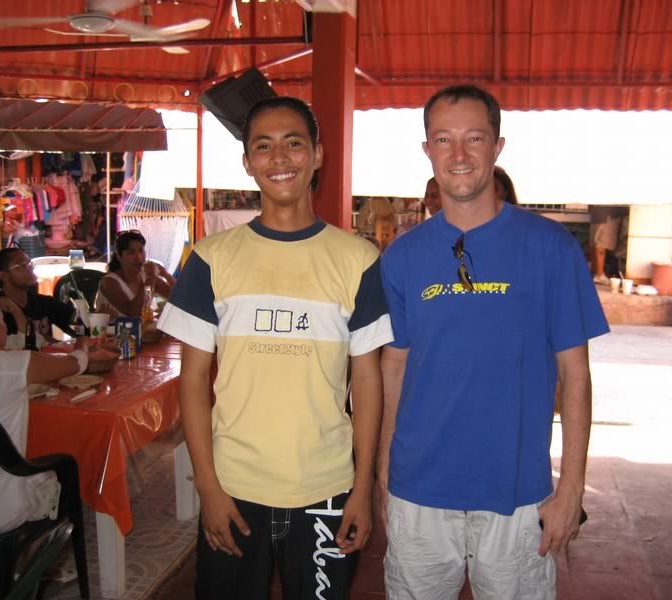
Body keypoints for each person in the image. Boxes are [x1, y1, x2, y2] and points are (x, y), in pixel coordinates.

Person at [378, 85, 609, 599]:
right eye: (443, 139)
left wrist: (570, 486)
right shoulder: (401, 257)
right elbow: (393, 369)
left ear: (497, 146)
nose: (459, 155)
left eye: (474, 138)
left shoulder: (551, 249)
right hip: (419, 495)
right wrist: (382, 473)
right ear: (427, 150)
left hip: (517, 494)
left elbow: (576, 375)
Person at [157, 96, 392, 599]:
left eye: (293, 143)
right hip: (234, 490)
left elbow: (367, 380)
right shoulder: (210, 258)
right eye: (263, 146)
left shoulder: (357, 259)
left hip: (327, 488)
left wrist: (363, 488)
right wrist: (208, 487)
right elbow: (194, 380)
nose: (279, 159)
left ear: (318, 155)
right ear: (247, 161)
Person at [0, 294, 89, 535]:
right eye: (3, 321)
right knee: (56, 470)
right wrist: (83, 343)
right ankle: (30, 561)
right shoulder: (12, 364)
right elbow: (75, 364)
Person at [0, 247, 76, 347]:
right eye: (22, 265)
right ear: (3, 275)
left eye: (30, 263)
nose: (30, 268)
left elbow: (77, 324)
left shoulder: (43, 303)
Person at [96, 230, 175, 318]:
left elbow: (179, 299)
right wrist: (150, 277)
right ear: (119, 257)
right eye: (131, 252)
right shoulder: (109, 282)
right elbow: (133, 313)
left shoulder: (147, 276)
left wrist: (166, 275)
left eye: (141, 250)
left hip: (141, 331)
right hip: (112, 331)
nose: (138, 257)